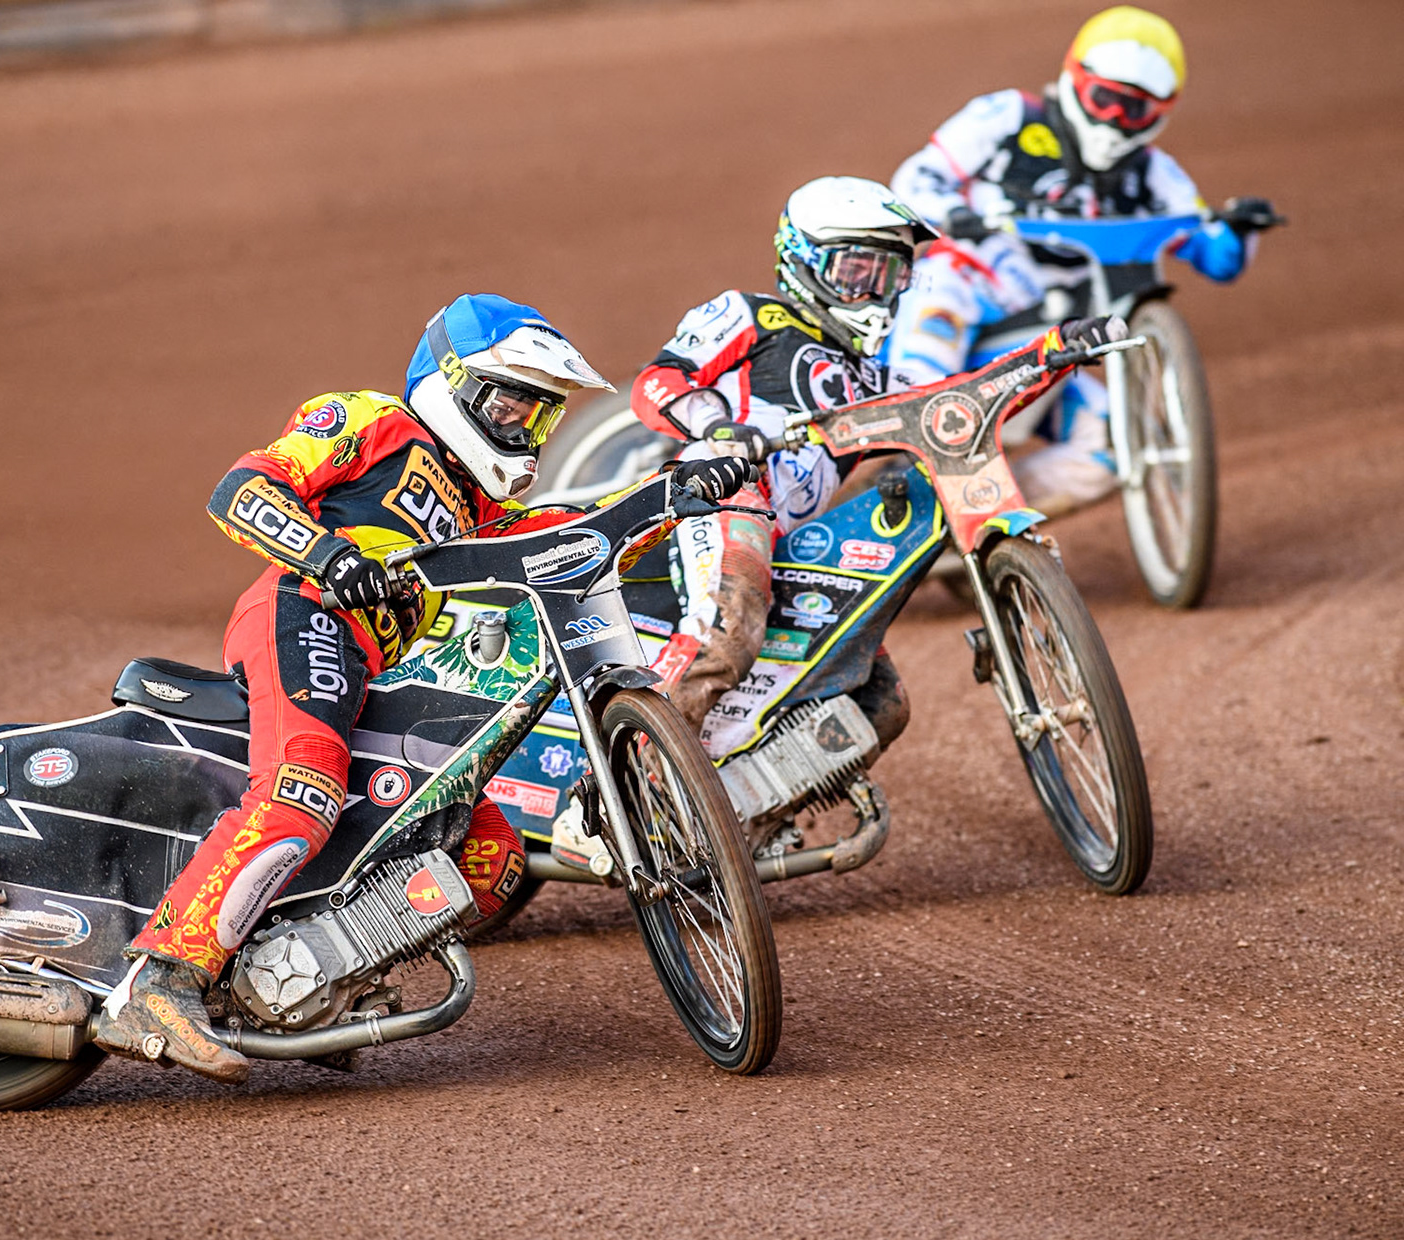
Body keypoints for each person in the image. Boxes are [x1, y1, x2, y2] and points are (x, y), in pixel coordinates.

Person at [91, 294, 752, 1082]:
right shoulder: (369, 421)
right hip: (304, 614)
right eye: (511, 403)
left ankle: (317, 975)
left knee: (491, 856)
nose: (525, 428)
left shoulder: (482, 506)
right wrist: (329, 555)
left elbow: (570, 532)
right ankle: (160, 977)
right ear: (452, 383)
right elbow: (241, 490)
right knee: (302, 790)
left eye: (539, 415)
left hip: (381, 668)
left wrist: (674, 489)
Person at [884, 5, 1277, 514]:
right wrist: (955, 213)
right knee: (928, 366)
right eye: (1105, 99)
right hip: (961, 291)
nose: (1114, 120)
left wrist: (1241, 228)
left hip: (1045, 346)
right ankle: (902, 462)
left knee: (1118, 444)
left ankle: (975, 522)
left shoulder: (1153, 176)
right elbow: (914, 181)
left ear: (1161, 112)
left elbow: (1217, 257)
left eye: (1133, 110)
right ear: (1075, 77)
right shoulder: (1007, 118)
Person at [621, 176, 935, 770]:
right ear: (804, 261)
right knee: (725, 637)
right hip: (725, 494)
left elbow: (949, 401)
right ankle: (628, 779)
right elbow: (657, 381)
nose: (873, 294)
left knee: (878, 701)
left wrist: (1050, 352)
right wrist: (716, 428)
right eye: (855, 273)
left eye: (888, 276)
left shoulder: (871, 379)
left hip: (795, 545)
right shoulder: (751, 314)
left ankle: (740, 830)